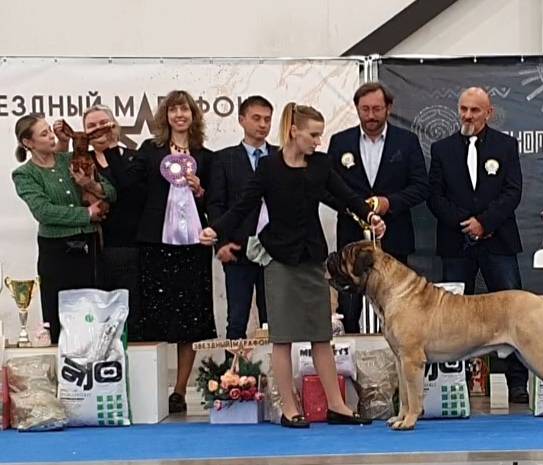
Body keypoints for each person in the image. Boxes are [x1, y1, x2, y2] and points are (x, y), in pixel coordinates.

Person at [200, 103, 385, 428]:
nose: (317, 140)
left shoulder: (321, 164)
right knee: (282, 338)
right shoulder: (269, 167)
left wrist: (370, 217)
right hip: (279, 259)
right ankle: (289, 407)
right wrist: (217, 230)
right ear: (294, 132)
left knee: (320, 336)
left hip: (312, 258)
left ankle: (338, 406)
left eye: (320, 135)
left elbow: (346, 197)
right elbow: (243, 205)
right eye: (313, 135)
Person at [427, 87, 528, 403]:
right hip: (456, 244)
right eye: (463, 109)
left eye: (475, 110)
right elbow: (435, 197)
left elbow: (512, 192)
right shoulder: (442, 149)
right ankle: (455, 383)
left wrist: (485, 223)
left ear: (489, 112)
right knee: (452, 318)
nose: (468, 115)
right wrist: (465, 223)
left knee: (513, 315)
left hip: (498, 241)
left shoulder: (506, 145)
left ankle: (517, 383)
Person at [133, 90, 216, 414]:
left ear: (193, 116)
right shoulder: (149, 152)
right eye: (174, 110)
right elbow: (133, 189)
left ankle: (180, 390)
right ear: (165, 116)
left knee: (191, 320)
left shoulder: (206, 157)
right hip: (156, 244)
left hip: (194, 247)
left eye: (185, 110)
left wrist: (200, 190)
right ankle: (152, 389)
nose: (180, 115)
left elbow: (216, 202)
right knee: (154, 316)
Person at [327, 82, 428, 333]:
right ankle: (348, 370)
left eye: (376, 109)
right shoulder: (340, 142)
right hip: (351, 244)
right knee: (349, 310)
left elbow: (420, 187)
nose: (371, 116)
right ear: (357, 109)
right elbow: (328, 189)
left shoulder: (407, 141)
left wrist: (389, 203)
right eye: (365, 109)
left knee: (397, 312)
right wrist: (357, 210)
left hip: (394, 239)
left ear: (389, 108)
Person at [11, 114, 115, 343]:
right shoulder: (24, 174)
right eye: (44, 133)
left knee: (93, 313)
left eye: (50, 130)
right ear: (28, 143)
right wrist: (86, 214)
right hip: (56, 252)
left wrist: (89, 184)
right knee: (59, 316)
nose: (51, 136)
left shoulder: (72, 159)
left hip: (89, 248)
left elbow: (110, 192)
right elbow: (43, 211)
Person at [61, 106, 145, 340]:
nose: (98, 129)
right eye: (92, 126)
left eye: (103, 123)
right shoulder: (75, 161)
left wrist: (91, 183)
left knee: (131, 310)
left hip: (127, 246)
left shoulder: (134, 157)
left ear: (114, 125)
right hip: (88, 247)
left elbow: (132, 195)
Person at [207, 96, 276, 341]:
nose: (262, 124)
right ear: (241, 120)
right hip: (237, 248)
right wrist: (221, 244)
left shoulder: (280, 156)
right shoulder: (223, 159)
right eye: (256, 118)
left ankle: (276, 374)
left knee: (275, 320)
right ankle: (232, 376)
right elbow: (215, 204)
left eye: (267, 119)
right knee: (236, 319)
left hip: (275, 250)